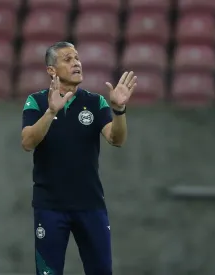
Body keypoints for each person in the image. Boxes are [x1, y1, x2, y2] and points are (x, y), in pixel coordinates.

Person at [20, 41, 137, 275]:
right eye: (67, 59)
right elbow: (27, 142)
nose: (76, 63)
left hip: (90, 205)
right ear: (51, 70)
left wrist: (119, 111)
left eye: (77, 58)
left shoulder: (95, 103)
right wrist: (51, 112)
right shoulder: (37, 101)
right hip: (50, 206)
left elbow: (116, 139)